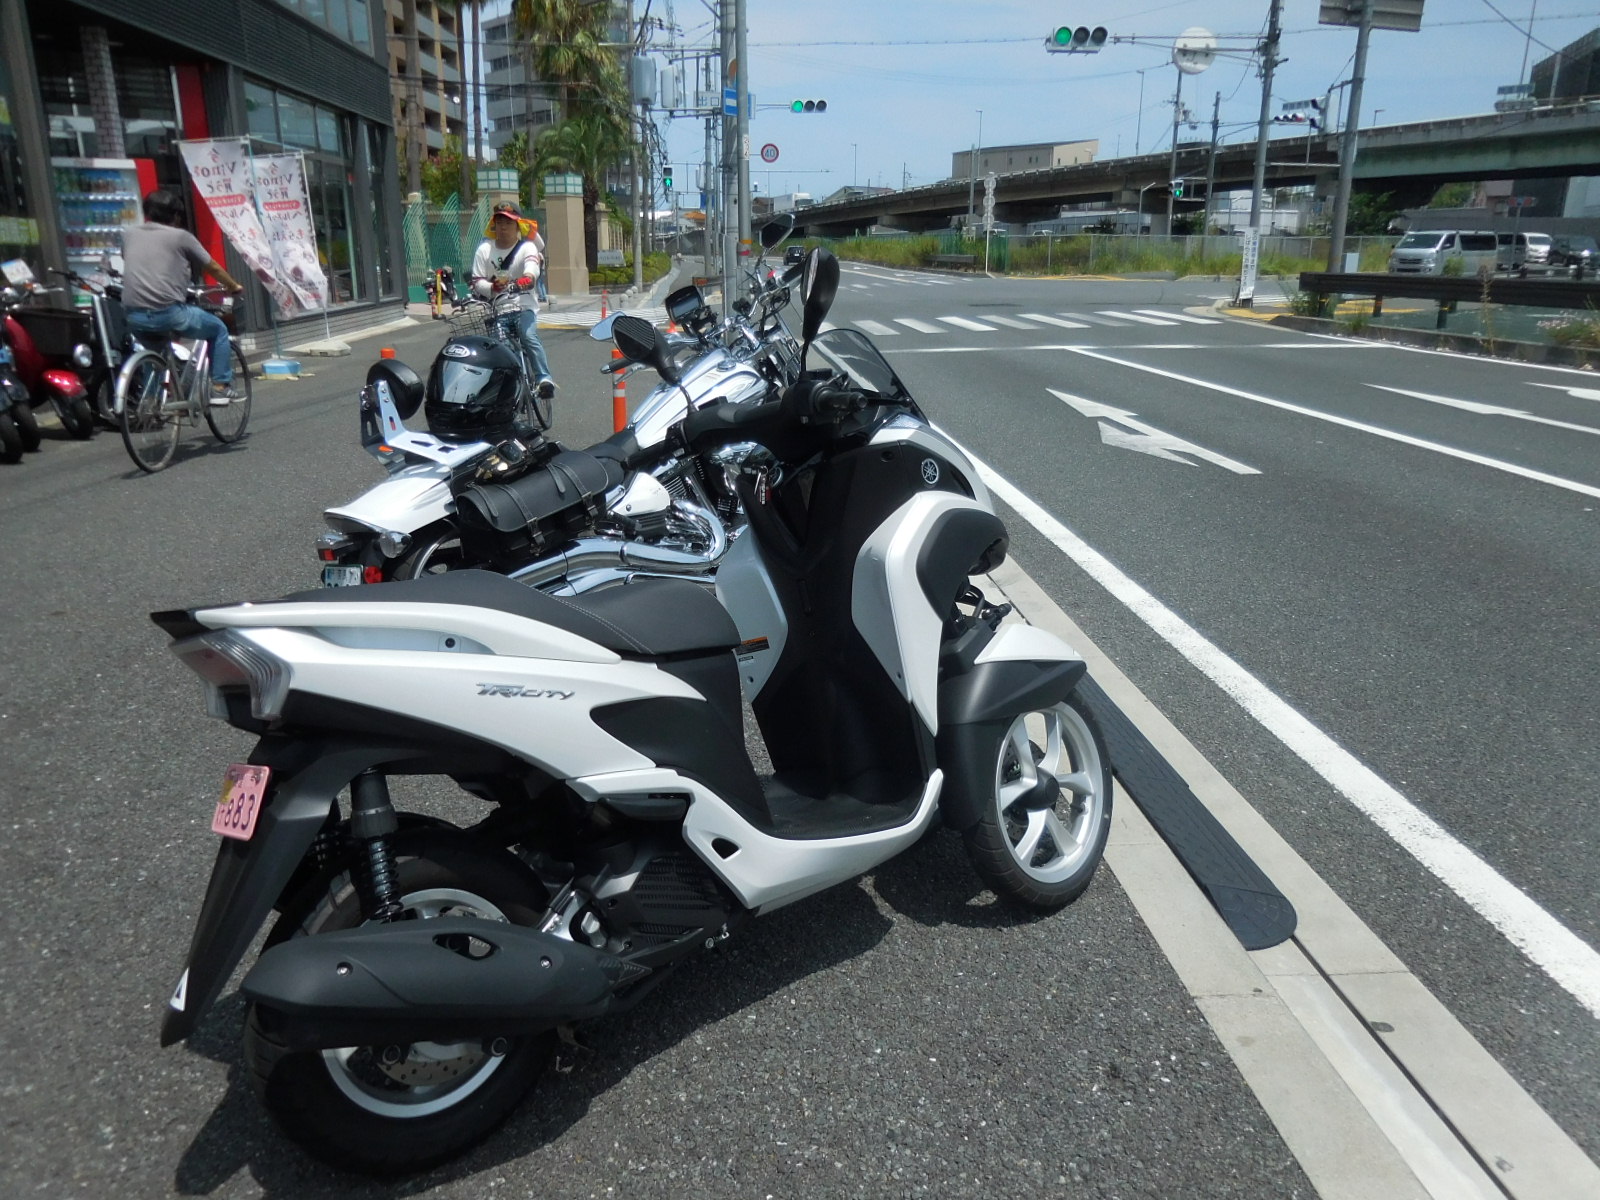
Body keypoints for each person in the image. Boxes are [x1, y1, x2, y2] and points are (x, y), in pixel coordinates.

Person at [120, 189, 247, 405]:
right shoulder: (181, 236)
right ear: (176, 215)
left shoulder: (129, 234)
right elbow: (212, 267)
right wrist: (233, 286)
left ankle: (151, 402)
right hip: (168, 312)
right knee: (218, 329)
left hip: (133, 315)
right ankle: (220, 387)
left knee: (155, 354)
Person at [470, 201, 555, 401]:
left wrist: (525, 280)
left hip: (524, 306)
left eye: (508, 222)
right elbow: (477, 280)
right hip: (498, 309)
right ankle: (512, 383)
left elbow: (531, 270)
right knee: (501, 348)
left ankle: (543, 378)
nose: (503, 227)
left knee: (528, 336)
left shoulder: (527, 247)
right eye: (499, 222)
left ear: (518, 225)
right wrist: (492, 287)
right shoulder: (484, 249)